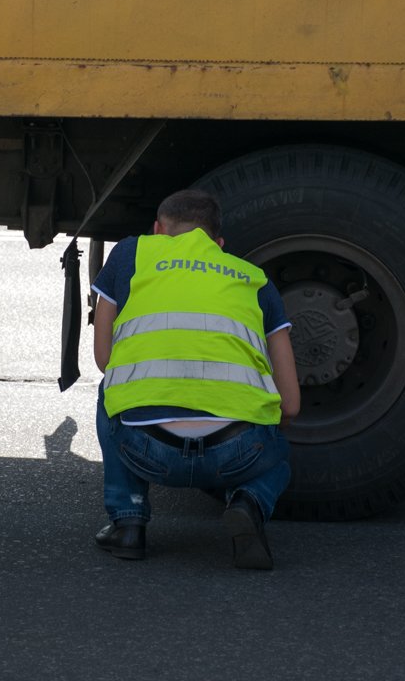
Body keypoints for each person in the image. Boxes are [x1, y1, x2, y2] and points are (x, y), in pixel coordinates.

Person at [90, 189, 300, 570]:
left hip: (145, 449)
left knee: (113, 392)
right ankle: (248, 502)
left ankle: (128, 522)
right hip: (235, 455)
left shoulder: (131, 253)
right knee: (279, 456)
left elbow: (105, 359)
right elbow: (292, 404)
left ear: (157, 230)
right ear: (219, 244)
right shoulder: (255, 280)